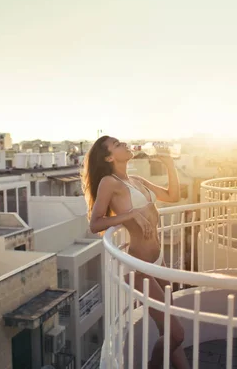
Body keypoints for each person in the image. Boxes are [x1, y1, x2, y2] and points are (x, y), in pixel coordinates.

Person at [83, 136, 190, 369]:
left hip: (158, 261)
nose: (124, 144)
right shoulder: (109, 183)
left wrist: (169, 164)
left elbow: (173, 196)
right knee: (177, 333)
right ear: (110, 157)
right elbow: (95, 224)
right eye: (117, 144)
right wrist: (130, 215)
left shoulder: (137, 180)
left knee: (169, 330)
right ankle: (153, 365)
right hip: (138, 267)